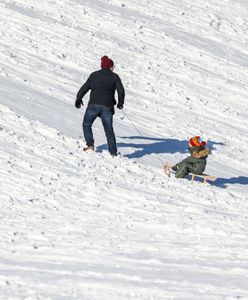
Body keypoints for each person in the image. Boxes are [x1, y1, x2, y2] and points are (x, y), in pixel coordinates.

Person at [75, 56, 125, 156]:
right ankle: (113, 153)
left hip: (93, 105)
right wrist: (120, 103)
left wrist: (78, 98)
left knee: (86, 124)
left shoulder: (94, 75)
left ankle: (90, 145)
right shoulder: (115, 77)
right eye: (112, 65)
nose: (113, 67)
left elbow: (84, 88)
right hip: (107, 107)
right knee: (109, 130)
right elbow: (121, 91)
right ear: (109, 66)